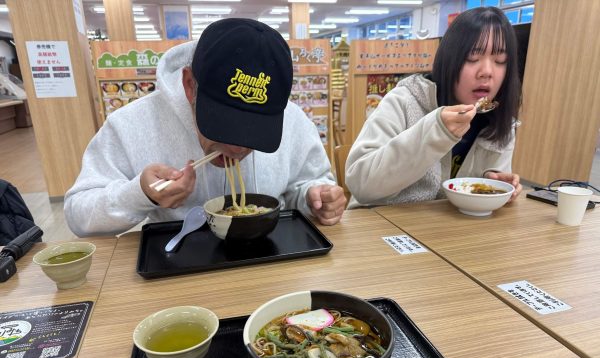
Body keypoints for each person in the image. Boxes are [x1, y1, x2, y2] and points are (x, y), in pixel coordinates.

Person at [64, 18, 345, 237]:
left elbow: (308, 182)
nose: (237, 148)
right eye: (225, 125)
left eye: (254, 130)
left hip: (269, 260)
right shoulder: (133, 124)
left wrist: (315, 197)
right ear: (189, 86)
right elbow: (78, 215)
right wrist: (140, 194)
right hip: (174, 265)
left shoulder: (292, 119)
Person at [345, 7, 523, 208]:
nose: (487, 72)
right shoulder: (404, 100)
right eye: (473, 58)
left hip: (449, 231)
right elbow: (361, 185)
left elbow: (485, 185)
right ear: (449, 60)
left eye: (500, 61)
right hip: (382, 226)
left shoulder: (501, 119)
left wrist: (490, 180)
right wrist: (436, 131)